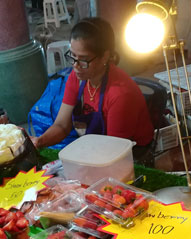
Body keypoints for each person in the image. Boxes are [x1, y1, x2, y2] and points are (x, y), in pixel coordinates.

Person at [32, 18, 154, 153]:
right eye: (73, 56)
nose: (76, 66)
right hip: (98, 145)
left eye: (84, 60)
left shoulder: (120, 94)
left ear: (105, 56)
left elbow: (114, 151)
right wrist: (39, 141)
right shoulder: (77, 77)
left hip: (130, 153)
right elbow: (62, 125)